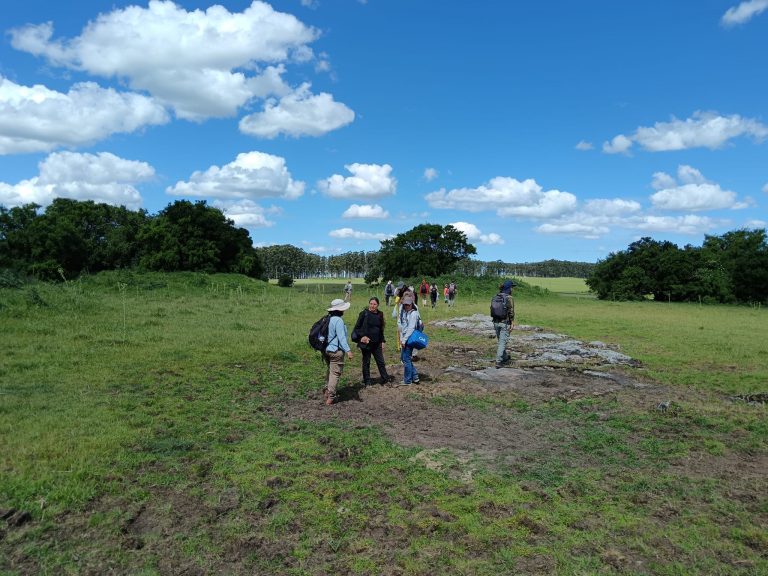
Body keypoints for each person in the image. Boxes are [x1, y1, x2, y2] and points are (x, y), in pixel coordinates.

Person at [352, 296, 394, 386]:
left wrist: (382, 341)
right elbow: (357, 328)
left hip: (377, 343)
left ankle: (385, 379)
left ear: (378, 305)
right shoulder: (364, 313)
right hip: (366, 343)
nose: (372, 306)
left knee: (381, 362)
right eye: (371, 304)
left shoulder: (380, 314)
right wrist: (362, 336)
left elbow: (381, 329)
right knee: (366, 362)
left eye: (374, 304)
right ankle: (367, 381)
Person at [323, 298, 353, 405]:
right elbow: (341, 338)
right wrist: (348, 351)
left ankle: (326, 390)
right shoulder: (339, 321)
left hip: (327, 350)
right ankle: (331, 397)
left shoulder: (328, 319)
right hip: (336, 351)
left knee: (330, 370)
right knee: (335, 373)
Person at [492, 280, 516, 368]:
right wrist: (512, 323)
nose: (512, 289)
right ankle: (498, 361)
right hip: (504, 323)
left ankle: (505, 357)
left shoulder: (496, 296)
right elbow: (511, 312)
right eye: (511, 287)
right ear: (508, 288)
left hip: (495, 322)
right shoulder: (509, 298)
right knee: (502, 342)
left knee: (501, 341)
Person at [397, 295, 421, 385]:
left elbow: (411, 328)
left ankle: (407, 380)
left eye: (408, 304)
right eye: (405, 304)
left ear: (411, 304)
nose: (406, 306)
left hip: (409, 338)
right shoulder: (405, 312)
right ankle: (415, 377)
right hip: (405, 337)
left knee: (406, 359)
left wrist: (404, 340)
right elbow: (403, 326)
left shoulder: (413, 313)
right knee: (405, 358)